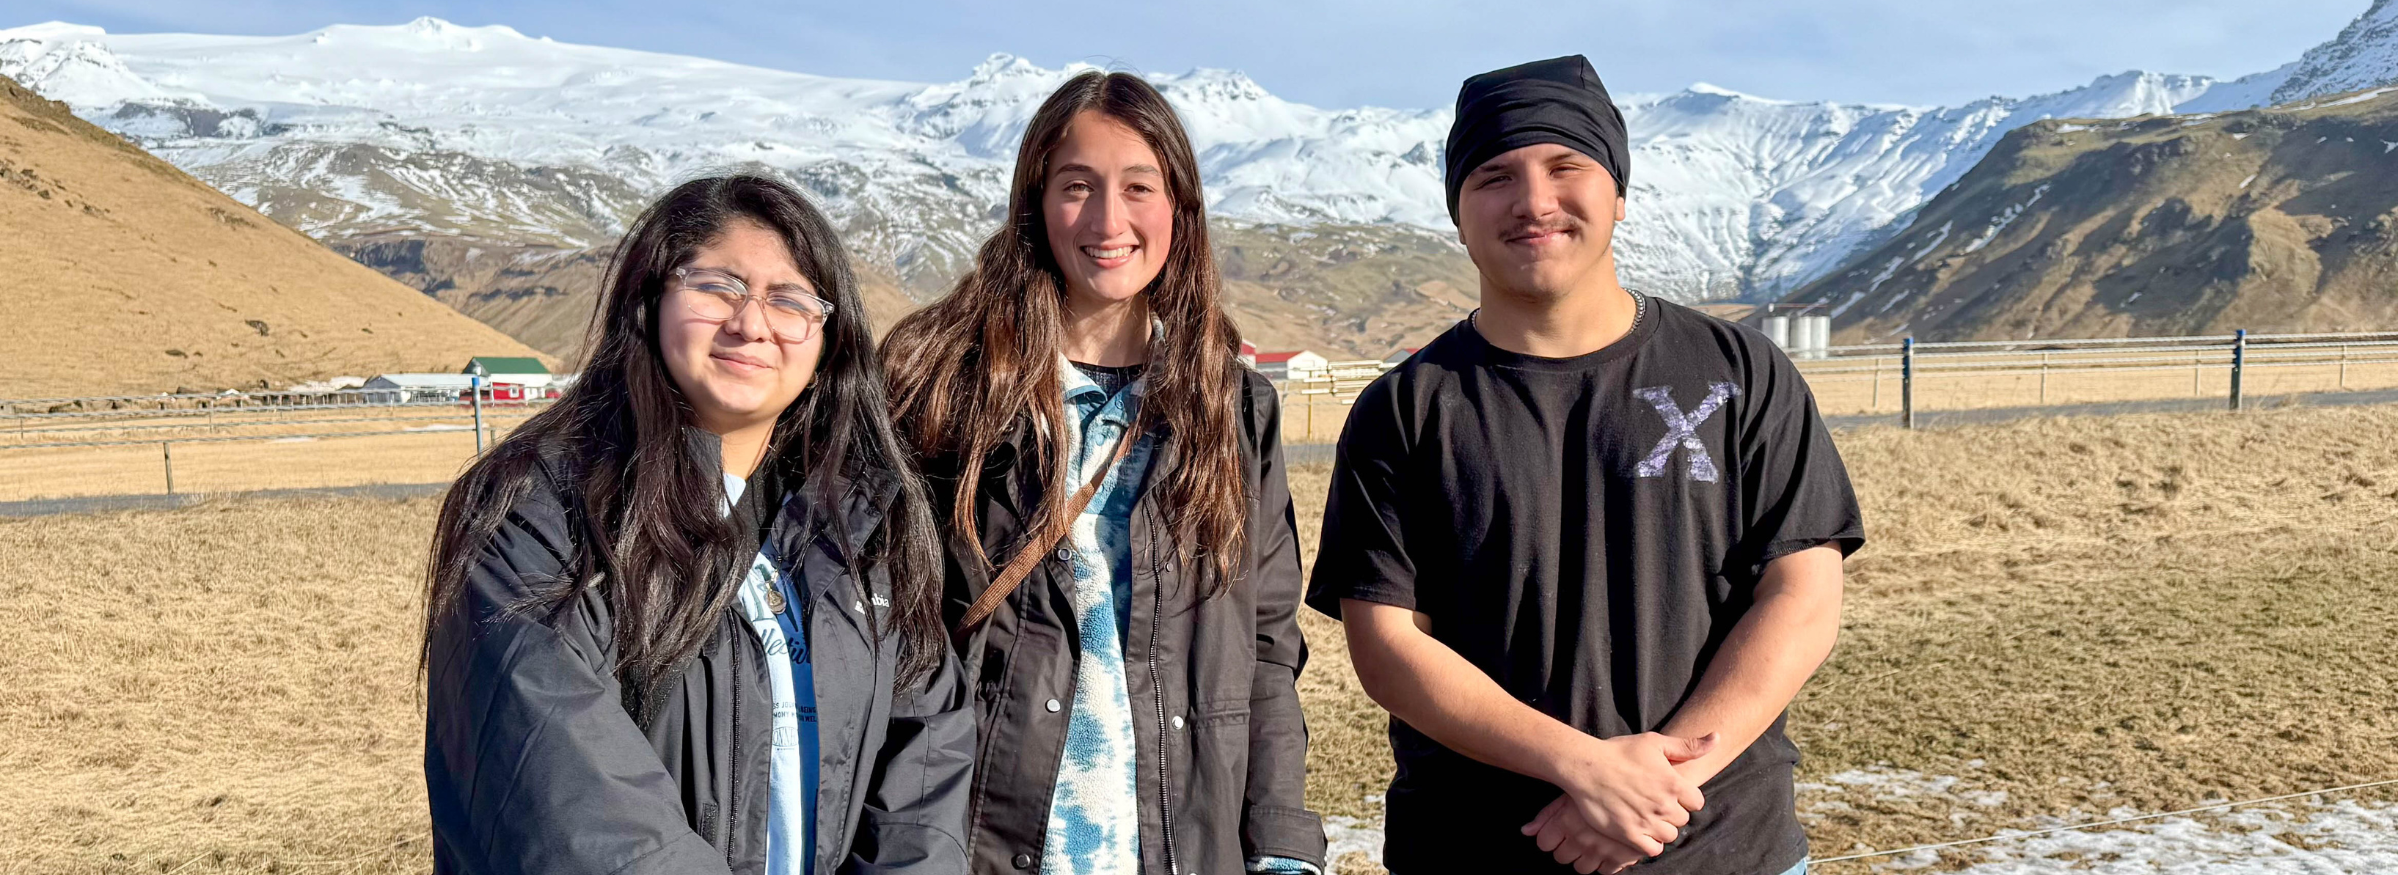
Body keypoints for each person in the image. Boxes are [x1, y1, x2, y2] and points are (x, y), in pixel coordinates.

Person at [1307, 56, 1864, 875]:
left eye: (1567, 166)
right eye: (1495, 176)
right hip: (1475, 851)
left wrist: (1654, 789)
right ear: (1458, 212)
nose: (1534, 201)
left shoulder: (1741, 372)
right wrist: (1582, 766)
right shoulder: (1405, 408)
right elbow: (1388, 643)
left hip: (1720, 847)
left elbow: (1802, 596)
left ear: (1620, 195)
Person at [421, 175, 973, 875]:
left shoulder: (862, 525)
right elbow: (573, 810)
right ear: (652, 299)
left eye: (790, 300)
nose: (752, 322)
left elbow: (927, 752)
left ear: (828, 340)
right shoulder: (539, 512)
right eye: (717, 286)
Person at [881, 71, 1326, 875]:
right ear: (1036, 202)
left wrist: (1284, 844)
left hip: (1182, 844)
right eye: (1077, 186)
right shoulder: (951, 388)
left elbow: (1265, 649)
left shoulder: (1231, 409)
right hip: (984, 841)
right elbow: (895, 639)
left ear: (1179, 209)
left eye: (1138, 187)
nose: (1108, 220)